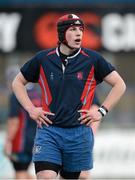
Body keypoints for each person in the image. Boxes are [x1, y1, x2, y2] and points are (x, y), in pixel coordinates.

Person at [12, 14, 126, 179]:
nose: (79, 33)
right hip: (48, 131)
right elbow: (17, 82)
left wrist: (101, 111)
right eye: (73, 29)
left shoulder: (93, 59)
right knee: (46, 176)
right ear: (61, 34)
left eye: (81, 29)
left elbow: (119, 84)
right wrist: (30, 109)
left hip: (79, 134)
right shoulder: (43, 59)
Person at [4, 65, 41, 179]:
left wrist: (8, 141)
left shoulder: (16, 95)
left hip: (21, 142)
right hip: (37, 139)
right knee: (24, 172)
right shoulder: (37, 93)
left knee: (20, 173)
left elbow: (14, 122)